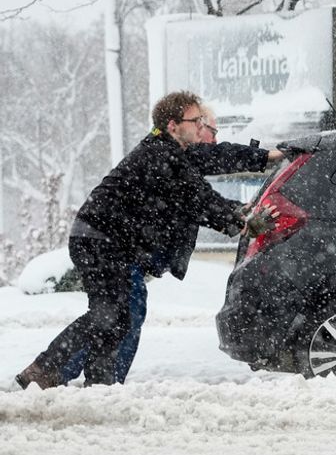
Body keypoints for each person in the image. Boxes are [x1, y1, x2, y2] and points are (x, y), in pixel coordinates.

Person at [16, 91, 276, 389]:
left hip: (104, 240)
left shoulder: (171, 151)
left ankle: (99, 383)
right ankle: (47, 370)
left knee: (119, 316)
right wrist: (241, 221)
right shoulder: (162, 155)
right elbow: (198, 198)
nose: (201, 126)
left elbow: (212, 162)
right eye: (197, 120)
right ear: (173, 125)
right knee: (112, 313)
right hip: (102, 241)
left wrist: (265, 158)